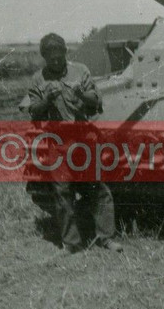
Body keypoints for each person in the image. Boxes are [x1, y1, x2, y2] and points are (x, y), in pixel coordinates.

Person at [23, 32, 122, 253]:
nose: (56, 62)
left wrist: (81, 94)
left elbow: (95, 101)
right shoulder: (38, 79)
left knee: (98, 187)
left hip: (83, 137)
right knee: (62, 192)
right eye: (51, 58)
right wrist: (46, 99)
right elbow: (34, 110)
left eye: (59, 57)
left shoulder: (81, 70)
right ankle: (71, 242)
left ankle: (106, 238)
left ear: (65, 53)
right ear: (44, 57)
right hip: (56, 141)